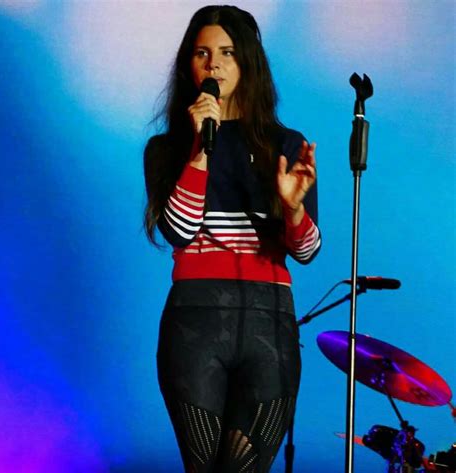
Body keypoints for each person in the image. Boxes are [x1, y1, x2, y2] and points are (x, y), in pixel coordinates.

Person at [144, 5, 321, 472]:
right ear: (189, 64)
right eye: (202, 53)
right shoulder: (167, 149)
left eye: (227, 52)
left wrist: (293, 207)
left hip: (269, 324)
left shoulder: (286, 146)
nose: (214, 63)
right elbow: (178, 231)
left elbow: (306, 251)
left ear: (248, 62)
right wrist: (202, 149)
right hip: (195, 323)